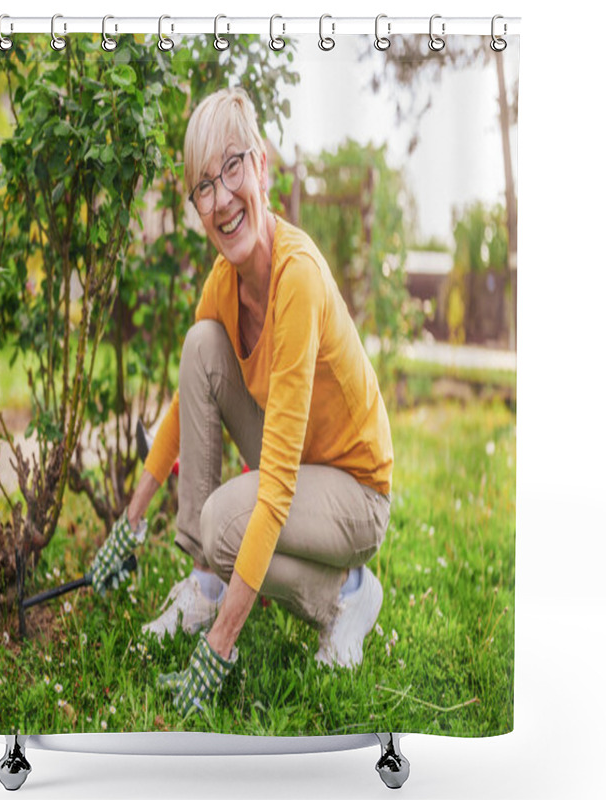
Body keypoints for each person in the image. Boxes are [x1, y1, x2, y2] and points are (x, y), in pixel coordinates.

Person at [89, 87, 393, 715]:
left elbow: (277, 484)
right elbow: (184, 403)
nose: (223, 197)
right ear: (197, 206)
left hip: (354, 492)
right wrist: (131, 518)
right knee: (201, 345)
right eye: (204, 184)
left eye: (233, 167)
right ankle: (206, 584)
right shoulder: (225, 283)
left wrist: (221, 648)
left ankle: (346, 595)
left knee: (226, 523)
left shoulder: (297, 278)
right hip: (305, 463)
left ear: (261, 166)